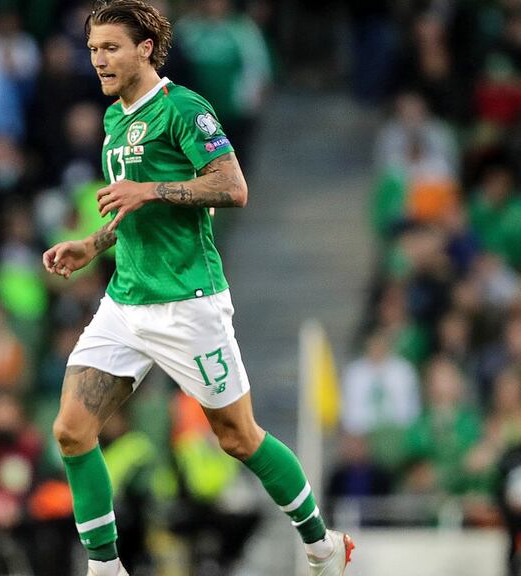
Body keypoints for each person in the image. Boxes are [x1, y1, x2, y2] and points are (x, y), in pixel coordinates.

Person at [41, 2, 353, 575]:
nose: (99, 60)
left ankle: (322, 542)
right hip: (126, 302)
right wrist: (94, 243)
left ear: (144, 48)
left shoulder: (184, 109)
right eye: (92, 49)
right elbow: (128, 205)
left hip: (189, 303)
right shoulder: (115, 118)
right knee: (71, 430)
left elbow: (233, 188)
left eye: (111, 47)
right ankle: (106, 570)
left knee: (238, 436)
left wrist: (152, 191)